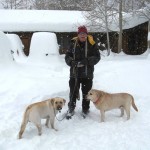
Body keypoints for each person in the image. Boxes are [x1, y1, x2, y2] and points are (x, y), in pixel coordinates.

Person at [65, 25, 100, 119]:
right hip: (74, 74)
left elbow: (97, 57)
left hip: (87, 74)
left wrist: (87, 61)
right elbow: (67, 56)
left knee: (86, 94)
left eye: (84, 34)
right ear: (78, 35)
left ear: (86, 34)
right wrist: (72, 62)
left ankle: (85, 109)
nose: (83, 36)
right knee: (73, 92)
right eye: (81, 34)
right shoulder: (72, 43)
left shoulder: (92, 44)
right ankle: (71, 108)